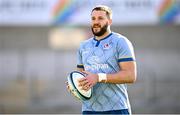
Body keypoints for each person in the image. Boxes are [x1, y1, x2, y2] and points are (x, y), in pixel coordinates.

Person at [68, 5, 137, 114]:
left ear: (110, 21)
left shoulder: (120, 42)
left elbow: (130, 76)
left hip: (117, 109)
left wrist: (99, 77)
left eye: (100, 18)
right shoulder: (83, 46)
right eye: (93, 18)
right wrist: (75, 84)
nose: (96, 22)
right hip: (89, 110)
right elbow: (81, 75)